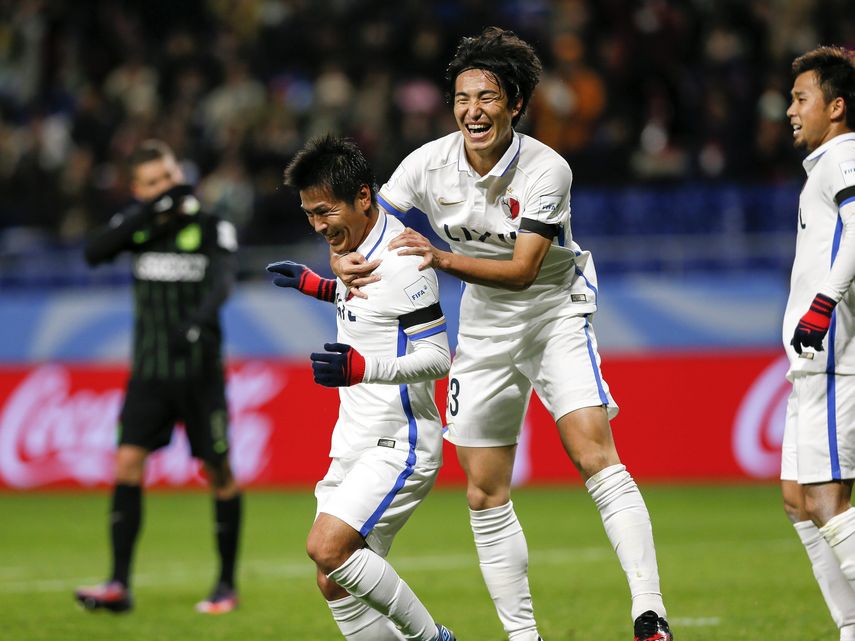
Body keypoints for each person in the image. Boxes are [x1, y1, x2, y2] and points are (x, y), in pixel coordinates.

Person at [335, 27, 672, 641]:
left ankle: (649, 613)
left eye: (487, 97)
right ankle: (523, 637)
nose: (473, 110)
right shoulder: (427, 164)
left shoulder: (548, 169)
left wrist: (437, 257)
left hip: (553, 311)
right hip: (486, 326)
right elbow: (371, 227)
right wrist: (343, 258)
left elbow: (522, 271)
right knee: (486, 491)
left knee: (593, 453)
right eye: (462, 98)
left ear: (515, 104)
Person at [267, 135, 456, 641]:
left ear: (364, 198)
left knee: (328, 548)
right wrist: (315, 284)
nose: (318, 226)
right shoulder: (353, 250)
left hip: (400, 441)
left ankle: (432, 639)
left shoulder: (404, 261)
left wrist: (362, 369)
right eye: (308, 214)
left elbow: (439, 358)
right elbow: (367, 307)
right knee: (333, 581)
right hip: (354, 435)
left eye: (325, 211)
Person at [75, 140, 242, 614]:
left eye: (167, 178)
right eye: (152, 184)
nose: (164, 188)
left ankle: (226, 584)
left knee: (218, 471)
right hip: (148, 372)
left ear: (179, 172)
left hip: (200, 373)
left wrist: (195, 323)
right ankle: (118, 585)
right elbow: (93, 252)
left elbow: (226, 278)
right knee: (127, 464)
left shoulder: (212, 224)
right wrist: (146, 213)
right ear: (138, 189)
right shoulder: (138, 228)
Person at [782, 46, 855, 641]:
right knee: (798, 500)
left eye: (801, 97)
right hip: (809, 364)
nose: (789, 109)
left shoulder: (845, 156)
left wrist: (825, 301)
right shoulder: (823, 166)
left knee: (827, 499)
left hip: (834, 357)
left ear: (836, 107)